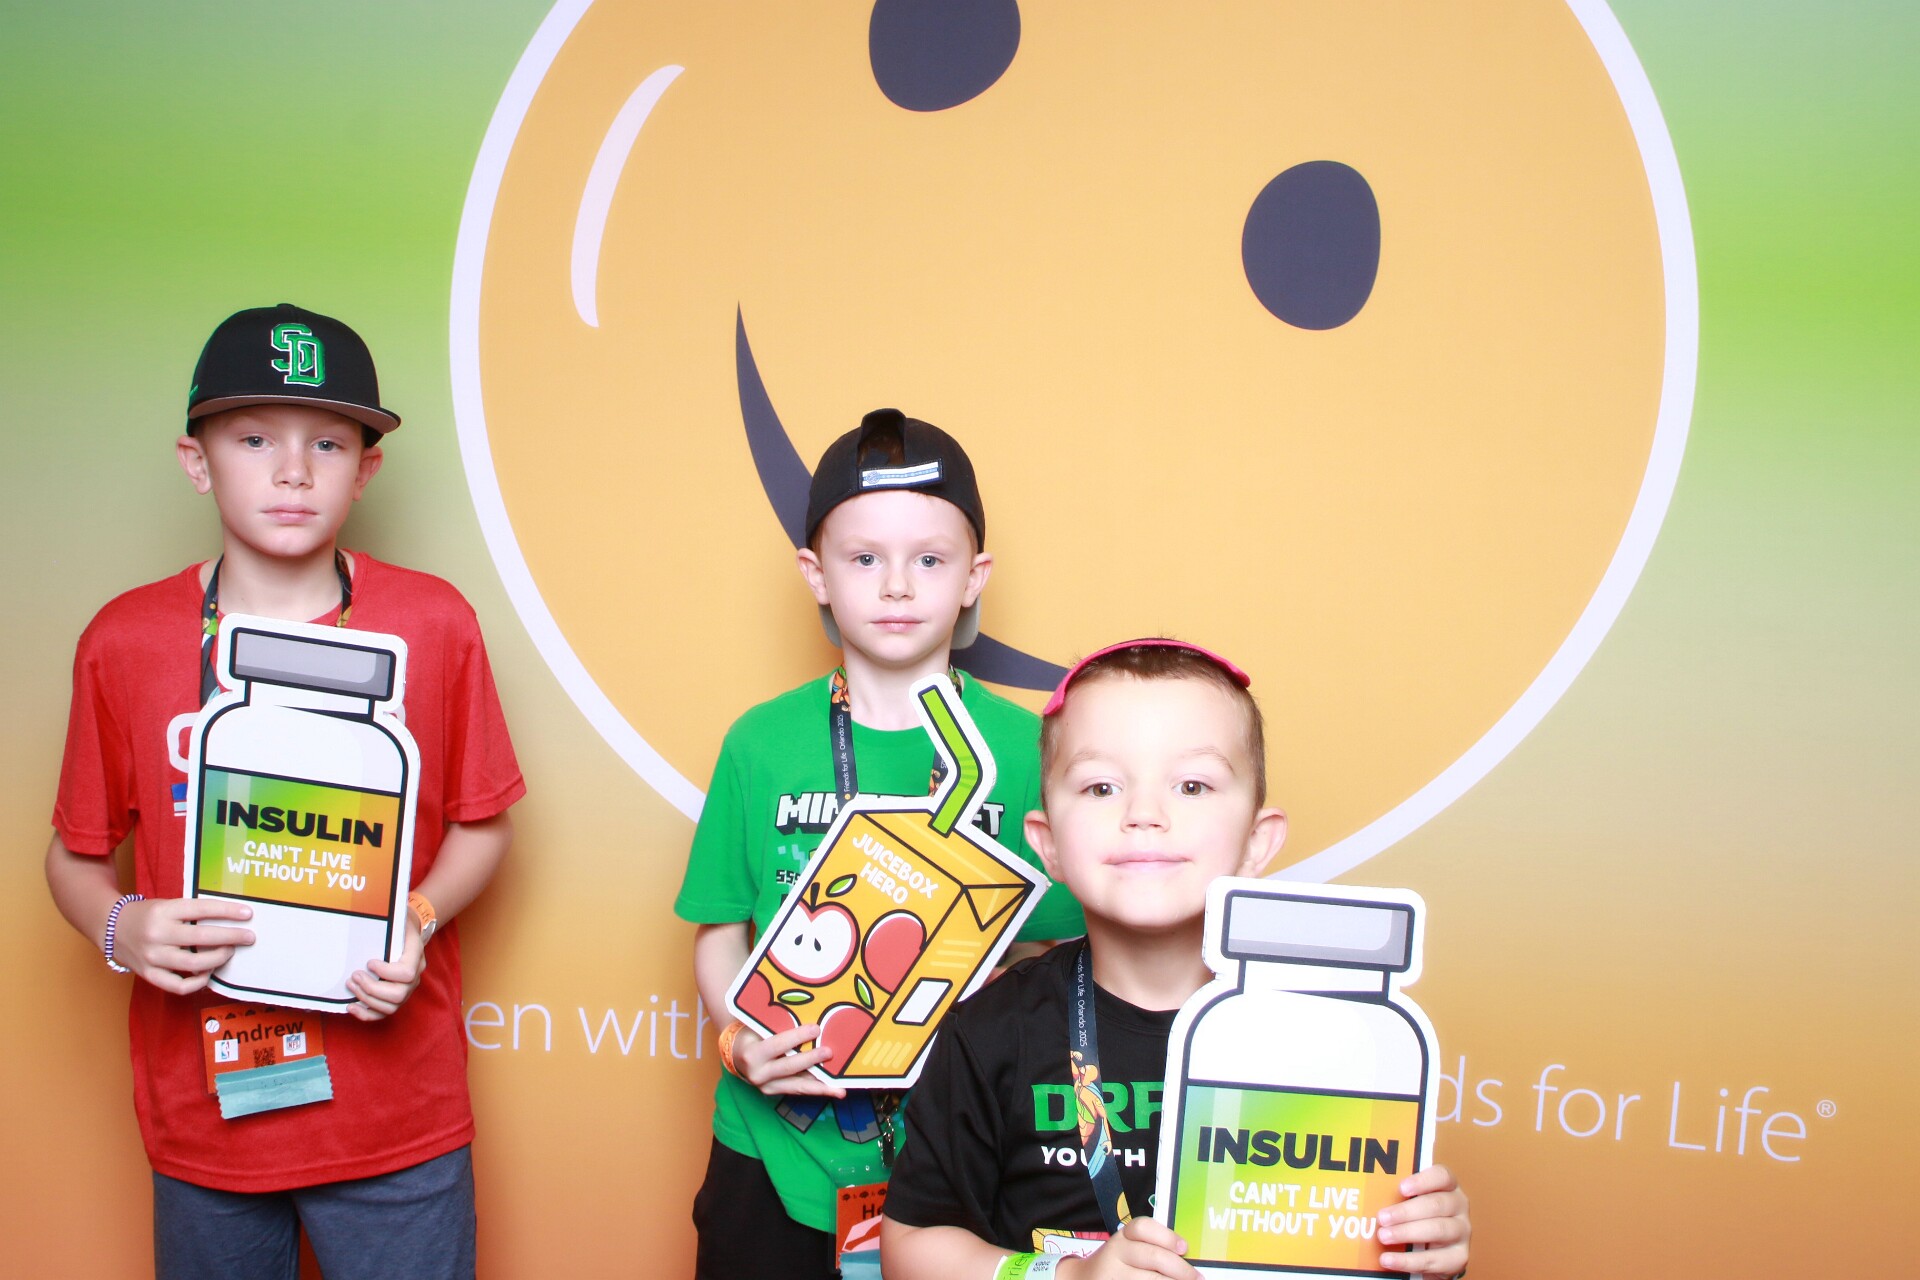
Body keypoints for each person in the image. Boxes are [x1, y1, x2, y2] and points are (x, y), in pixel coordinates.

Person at [44, 304, 523, 1280]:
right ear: (197, 460)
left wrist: (418, 914)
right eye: (255, 439)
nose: (293, 470)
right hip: (206, 1113)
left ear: (366, 469)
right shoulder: (124, 640)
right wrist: (120, 925)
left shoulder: (434, 621)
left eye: (328, 443)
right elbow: (75, 850)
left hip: (398, 1115)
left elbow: (484, 824)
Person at [881, 639, 1472, 1280]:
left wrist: (1419, 1242)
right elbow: (910, 1249)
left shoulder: (1334, 1029)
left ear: (1257, 842)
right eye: (1102, 786)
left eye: (1192, 785)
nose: (1144, 815)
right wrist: (1067, 1276)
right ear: (1047, 845)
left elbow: (1356, 1235)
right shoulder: (992, 1028)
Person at [675, 407, 1086, 1278]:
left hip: (965, 1157)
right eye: (864, 559)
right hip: (770, 1154)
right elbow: (720, 930)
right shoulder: (759, 742)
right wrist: (737, 1040)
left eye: (929, 560)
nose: (897, 586)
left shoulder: (1029, 751)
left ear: (974, 577)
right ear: (815, 573)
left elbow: (1056, 955)